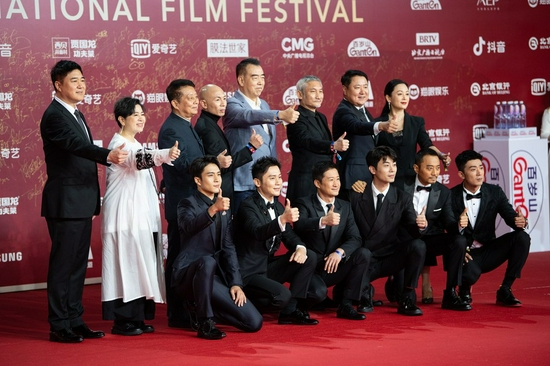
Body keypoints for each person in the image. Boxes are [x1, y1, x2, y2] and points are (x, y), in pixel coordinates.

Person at [40, 60, 128, 343]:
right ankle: (59, 324)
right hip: (65, 201)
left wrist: (93, 201)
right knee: (63, 264)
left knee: (78, 264)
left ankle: (75, 319)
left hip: (81, 201)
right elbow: (76, 147)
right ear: (58, 85)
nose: (81, 85)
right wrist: (107, 155)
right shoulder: (54, 115)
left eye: (82, 80)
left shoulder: (76, 113)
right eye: (74, 80)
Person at [101, 97, 180, 336]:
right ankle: (123, 320)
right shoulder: (120, 144)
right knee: (127, 265)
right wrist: (165, 154)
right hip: (124, 218)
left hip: (141, 218)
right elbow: (138, 161)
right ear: (121, 119)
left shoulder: (135, 142)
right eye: (135, 114)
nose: (141, 118)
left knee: (141, 264)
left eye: (142, 114)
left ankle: (136, 317)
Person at [158, 79, 230, 329]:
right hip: (183, 208)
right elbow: (183, 164)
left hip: (196, 206)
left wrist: (211, 162)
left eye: (194, 96)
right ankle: (177, 313)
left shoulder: (185, 125)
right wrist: (214, 165)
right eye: (188, 97)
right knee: (179, 259)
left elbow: (194, 159)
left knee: (190, 258)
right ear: (175, 103)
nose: (193, 101)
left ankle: (189, 308)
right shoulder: (171, 129)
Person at [172, 157, 263, 340]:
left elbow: (228, 247)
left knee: (254, 322)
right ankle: (205, 323)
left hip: (213, 277)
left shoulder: (224, 207)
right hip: (188, 275)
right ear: (198, 180)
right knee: (207, 261)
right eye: (210, 175)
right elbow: (189, 226)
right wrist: (212, 210)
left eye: (219, 175)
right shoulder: (187, 204)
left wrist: (235, 283)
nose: (217, 179)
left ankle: (198, 310)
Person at [233, 157, 323, 325]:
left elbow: (290, 237)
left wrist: (300, 247)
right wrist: (282, 220)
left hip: (267, 267)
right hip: (248, 271)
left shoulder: (278, 206)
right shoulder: (247, 206)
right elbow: (258, 232)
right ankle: (247, 303)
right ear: (257, 182)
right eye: (272, 178)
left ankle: (290, 312)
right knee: (282, 296)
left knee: (309, 255)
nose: (278, 182)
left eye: (279, 177)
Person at [350, 146, 426, 316]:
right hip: (364, 258)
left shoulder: (402, 197)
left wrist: (420, 225)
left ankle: (407, 297)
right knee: (343, 294)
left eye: (394, 164)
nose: (392, 170)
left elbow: (412, 231)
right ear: (372, 169)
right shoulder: (356, 193)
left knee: (418, 246)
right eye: (386, 165)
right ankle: (364, 292)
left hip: (390, 257)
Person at [451, 150, 531, 306]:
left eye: (481, 167)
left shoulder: (494, 192)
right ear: (461, 174)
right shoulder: (451, 195)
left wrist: (520, 221)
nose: (479, 173)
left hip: (489, 249)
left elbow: (511, 218)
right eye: (473, 169)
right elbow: (444, 228)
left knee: (522, 237)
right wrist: (459, 233)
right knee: (470, 272)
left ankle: (505, 289)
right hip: (465, 253)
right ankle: (464, 290)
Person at [294, 161, 370, 320]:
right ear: (317, 183)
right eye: (331, 180)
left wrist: (340, 252)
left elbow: (355, 238)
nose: (336, 184)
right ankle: (301, 304)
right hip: (310, 267)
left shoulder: (345, 206)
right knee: (318, 293)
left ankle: (346, 304)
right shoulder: (304, 203)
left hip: (333, 264)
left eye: (338, 179)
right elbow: (300, 225)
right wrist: (322, 221)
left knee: (363, 254)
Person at [223, 57, 299, 211]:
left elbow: (269, 145)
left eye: (262, 77)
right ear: (241, 80)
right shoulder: (232, 104)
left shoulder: (264, 104)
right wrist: (280, 115)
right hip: (245, 184)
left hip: (268, 185)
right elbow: (248, 115)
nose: (260, 82)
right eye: (255, 77)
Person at [401, 149, 471, 310]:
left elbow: (449, 223)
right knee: (397, 292)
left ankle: (451, 293)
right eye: (429, 168)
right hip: (403, 240)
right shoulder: (401, 185)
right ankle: (407, 294)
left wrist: (460, 224)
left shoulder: (443, 192)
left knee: (459, 241)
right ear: (417, 169)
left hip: (428, 239)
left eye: (437, 168)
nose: (435, 173)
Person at [332, 69, 397, 200]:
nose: (363, 92)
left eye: (365, 87)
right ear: (345, 89)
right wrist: (380, 125)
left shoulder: (363, 111)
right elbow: (357, 126)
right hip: (354, 180)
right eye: (357, 87)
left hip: (368, 176)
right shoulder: (343, 111)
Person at [375, 79, 451, 189]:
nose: (405, 98)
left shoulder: (416, 122)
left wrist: (440, 154)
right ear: (388, 98)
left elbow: (427, 144)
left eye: (407, 94)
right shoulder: (378, 124)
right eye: (400, 94)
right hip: (386, 178)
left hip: (410, 179)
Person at [195, 84, 264, 201]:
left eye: (224, 98)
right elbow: (223, 166)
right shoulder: (207, 128)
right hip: (217, 196)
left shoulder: (210, 124)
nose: (223, 103)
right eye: (217, 99)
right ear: (204, 104)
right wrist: (251, 147)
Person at [286, 75, 349, 203]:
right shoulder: (295, 118)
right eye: (313, 91)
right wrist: (333, 145)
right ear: (299, 94)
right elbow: (307, 141)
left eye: (320, 91)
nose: (318, 95)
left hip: (324, 182)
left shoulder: (321, 117)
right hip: (306, 182)